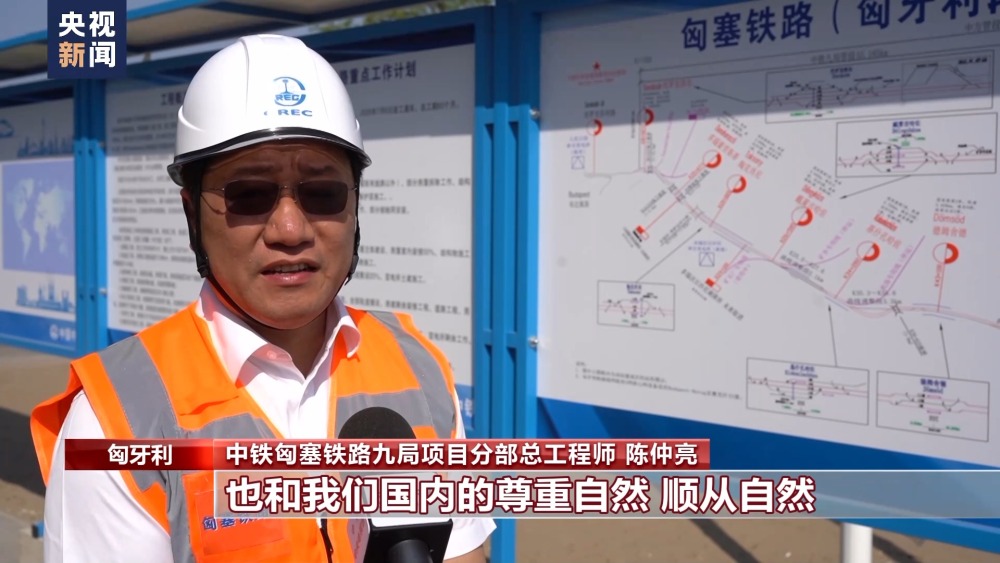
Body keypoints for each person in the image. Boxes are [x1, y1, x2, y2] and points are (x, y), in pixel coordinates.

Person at [30, 34, 494, 563]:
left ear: (355, 205)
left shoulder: (420, 370)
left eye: (322, 193)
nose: (290, 230)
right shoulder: (116, 420)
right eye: (249, 195)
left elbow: (463, 552)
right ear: (191, 213)